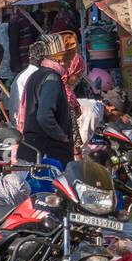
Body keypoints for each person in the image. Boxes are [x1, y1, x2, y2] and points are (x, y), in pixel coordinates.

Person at [18, 35, 81, 166]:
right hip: (46, 155)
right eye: (68, 59)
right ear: (61, 59)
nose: (70, 64)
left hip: (33, 150)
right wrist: (62, 137)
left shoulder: (37, 74)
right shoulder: (52, 78)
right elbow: (44, 116)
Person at [10, 40, 46, 120]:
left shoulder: (21, 75)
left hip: (17, 120)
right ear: (44, 59)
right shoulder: (37, 76)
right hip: (26, 122)